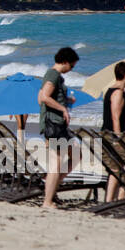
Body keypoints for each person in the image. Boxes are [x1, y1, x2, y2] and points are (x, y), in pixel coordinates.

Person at [39, 46, 79, 209]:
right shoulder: (53, 74)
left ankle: (52, 184)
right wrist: (63, 109)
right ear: (65, 62)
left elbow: (42, 97)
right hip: (54, 123)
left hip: (56, 123)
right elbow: (44, 97)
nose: (72, 69)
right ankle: (47, 200)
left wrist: (66, 101)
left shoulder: (54, 76)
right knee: (56, 162)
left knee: (76, 153)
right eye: (72, 66)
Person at [102, 61, 125, 202]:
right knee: (117, 169)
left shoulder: (110, 91)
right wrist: (118, 140)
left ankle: (119, 198)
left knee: (118, 168)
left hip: (108, 135)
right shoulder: (118, 93)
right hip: (114, 137)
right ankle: (110, 200)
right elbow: (115, 118)